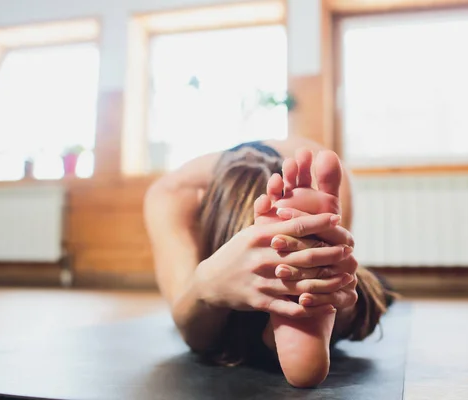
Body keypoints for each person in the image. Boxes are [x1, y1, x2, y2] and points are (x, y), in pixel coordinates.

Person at [144, 136, 393, 388]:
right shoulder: (172, 197)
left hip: (311, 215)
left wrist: (328, 280)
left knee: (340, 282)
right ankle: (305, 303)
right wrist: (206, 282)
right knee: (203, 305)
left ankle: (306, 298)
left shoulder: (321, 181)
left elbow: (337, 271)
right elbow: (184, 308)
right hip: (224, 267)